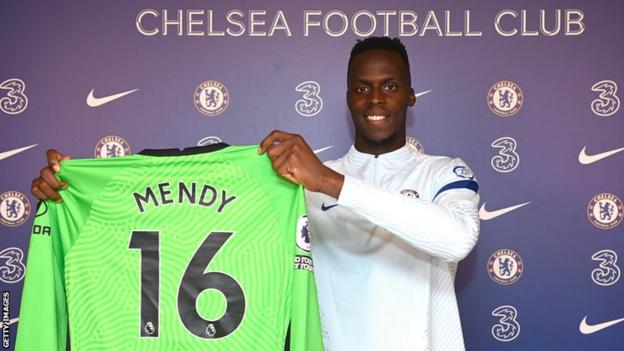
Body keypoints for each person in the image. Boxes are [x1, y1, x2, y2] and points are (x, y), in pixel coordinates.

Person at [31, 37, 479, 350]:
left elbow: (456, 238)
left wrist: (329, 183)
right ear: (347, 98)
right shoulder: (297, 185)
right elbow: (192, 221)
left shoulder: (442, 173)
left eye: (390, 86)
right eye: (362, 88)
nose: (375, 99)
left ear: (411, 96)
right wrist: (72, 192)